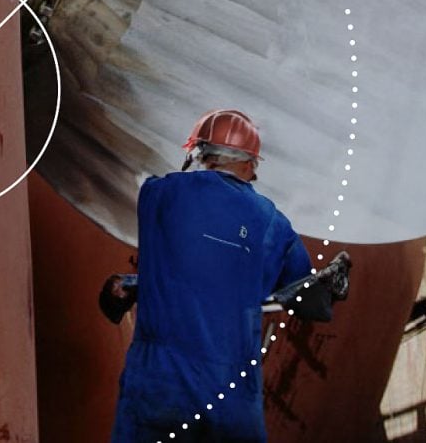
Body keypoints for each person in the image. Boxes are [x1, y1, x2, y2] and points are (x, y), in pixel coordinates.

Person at [106, 110, 319, 443]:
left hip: (160, 382)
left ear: (196, 153)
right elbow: (307, 294)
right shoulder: (272, 223)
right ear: (249, 163)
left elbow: (178, 263)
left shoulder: (157, 193)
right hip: (231, 395)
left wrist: (137, 286)